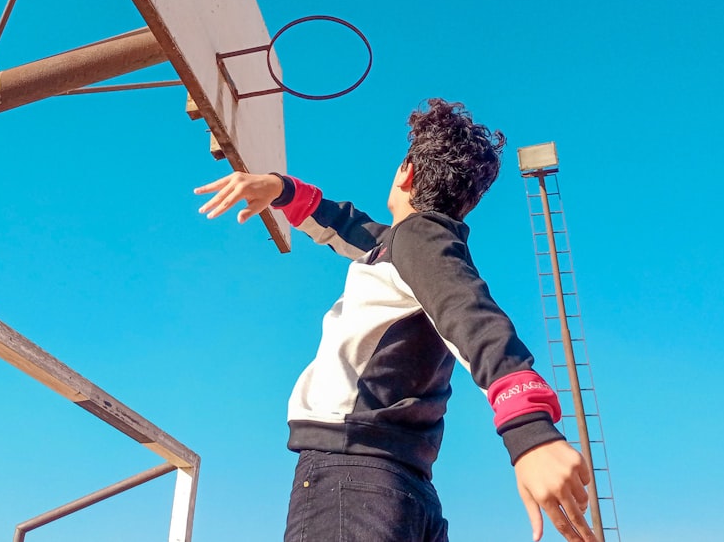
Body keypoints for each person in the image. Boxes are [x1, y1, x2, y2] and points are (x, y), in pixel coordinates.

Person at [195, 98, 595, 542]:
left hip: (354, 474)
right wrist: (281, 188)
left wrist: (529, 429)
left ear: (405, 172)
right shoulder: (406, 248)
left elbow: (470, 312)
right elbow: (345, 227)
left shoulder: (418, 236)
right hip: (404, 486)